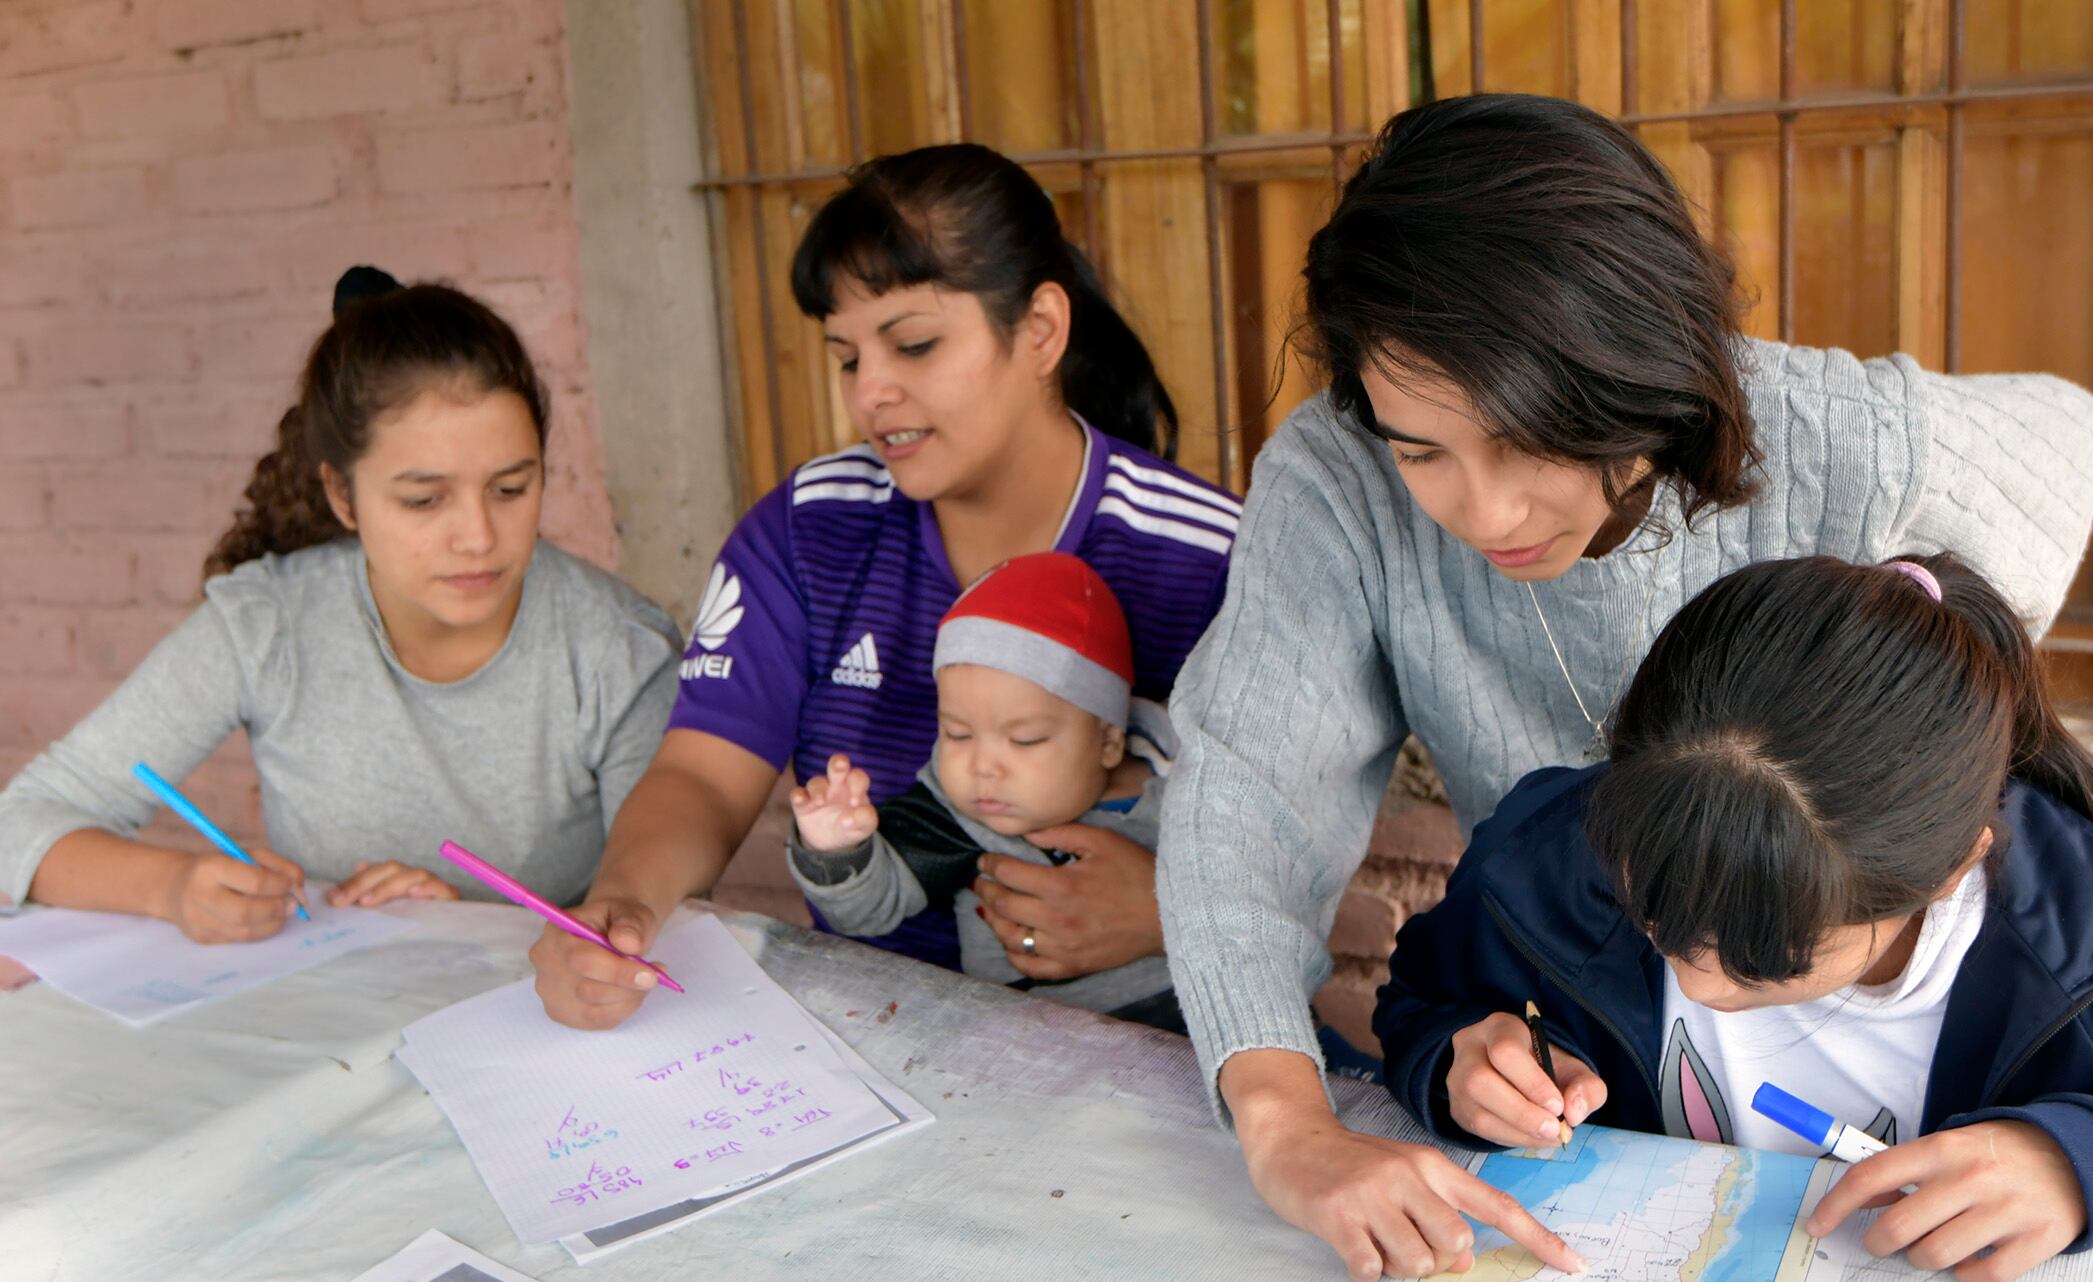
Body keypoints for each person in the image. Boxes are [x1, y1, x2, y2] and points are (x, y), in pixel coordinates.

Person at [1158, 92, 2093, 1282]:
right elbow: (1248, 796)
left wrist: (1906, 712)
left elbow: (2065, 437)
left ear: (1636, 368)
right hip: (1609, 1076)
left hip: (1894, 1068)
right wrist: (1289, 1129)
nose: (1487, 514)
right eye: (1421, 450)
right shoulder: (1334, 481)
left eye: (1531, 438)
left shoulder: (1817, 430)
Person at [529, 144, 1238, 1030]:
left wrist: (1174, 911)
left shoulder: (1204, 556)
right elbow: (703, 775)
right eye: (846, 358)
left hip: (1149, 1053)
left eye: (914, 344)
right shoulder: (807, 530)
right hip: (875, 1038)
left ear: (1042, 332)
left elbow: (1298, 839)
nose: (871, 394)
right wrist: (622, 910)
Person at [1374, 553, 2093, 1282]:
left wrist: (2083, 1167)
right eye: (1653, 911)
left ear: (1948, 874)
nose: (1697, 979)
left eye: (1766, 960)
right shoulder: (1547, 857)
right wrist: (1457, 1061)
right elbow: (1422, 1001)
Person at [0, 269, 680, 942]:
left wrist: (476, 930)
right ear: (343, 496)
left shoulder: (619, 650)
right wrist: (173, 888)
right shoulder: (270, 622)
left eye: (510, 489)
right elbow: (22, 821)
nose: (478, 538)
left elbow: (660, 914)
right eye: (424, 500)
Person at [787, 552, 1177, 1024]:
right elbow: (870, 907)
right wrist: (835, 850)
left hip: (1203, 1027)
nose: (982, 767)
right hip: (1037, 1041)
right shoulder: (955, 815)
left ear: (1109, 741)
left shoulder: (1196, 787)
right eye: (957, 733)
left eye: (1024, 739)